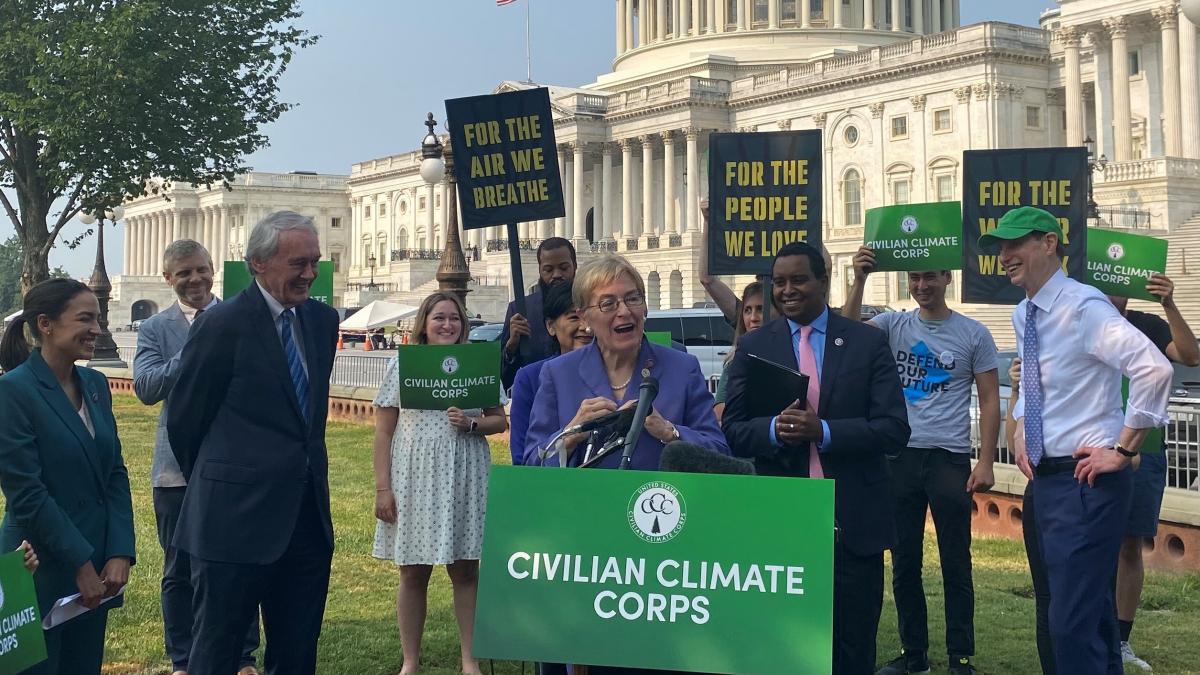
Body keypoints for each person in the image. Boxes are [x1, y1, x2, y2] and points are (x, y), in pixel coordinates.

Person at [981, 206, 1172, 673]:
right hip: (1048, 481)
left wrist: (1124, 450)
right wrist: (1024, 425)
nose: (1005, 255)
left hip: (1085, 480)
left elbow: (1155, 369)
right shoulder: (1025, 311)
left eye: (1015, 243)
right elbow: (1039, 380)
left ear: (1049, 243)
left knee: (1071, 621)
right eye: (1001, 246)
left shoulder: (1084, 306)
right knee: (1077, 617)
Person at [722, 242, 910, 675]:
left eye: (799, 280)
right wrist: (774, 429)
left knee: (852, 645)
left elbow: (894, 429)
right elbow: (732, 430)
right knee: (783, 643)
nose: (787, 290)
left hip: (852, 520)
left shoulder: (867, 342)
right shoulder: (754, 345)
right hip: (780, 519)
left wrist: (822, 432)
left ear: (823, 280)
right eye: (780, 282)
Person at [167, 210, 339, 675]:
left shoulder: (323, 321)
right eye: (298, 263)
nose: (309, 274)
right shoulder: (222, 325)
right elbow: (185, 421)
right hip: (232, 522)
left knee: (298, 651)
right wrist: (224, 480)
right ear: (258, 264)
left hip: (305, 520)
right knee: (218, 650)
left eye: (315, 263)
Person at [841, 248, 1000, 675]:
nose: (922, 286)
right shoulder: (894, 324)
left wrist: (985, 461)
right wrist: (859, 280)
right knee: (904, 561)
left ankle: (960, 656)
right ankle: (915, 655)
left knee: (956, 561)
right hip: (899, 457)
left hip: (947, 458)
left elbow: (989, 399)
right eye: (914, 278)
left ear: (947, 277)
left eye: (930, 277)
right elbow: (846, 331)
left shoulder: (973, 333)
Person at [132, 239, 261, 675]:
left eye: (201, 270)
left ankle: (242, 656)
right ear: (168, 279)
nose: (195, 279)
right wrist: (196, 350)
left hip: (235, 465)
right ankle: (183, 658)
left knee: (240, 561)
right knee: (179, 568)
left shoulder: (244, 318)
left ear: (213, 270)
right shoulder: (155, 329)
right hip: (176, 472)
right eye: (184, 273)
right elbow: (147, 388)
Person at [0, 278, 136, 674]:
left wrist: (119, 551)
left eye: (98, 318)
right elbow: (27, 493)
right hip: (37, 566)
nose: (98, 329)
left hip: (97, 570)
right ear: (46, 324)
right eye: (85, 319)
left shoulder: (95, 384)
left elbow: (113, 472)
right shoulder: (13, 392)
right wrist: (81, 565)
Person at [372, 291, 507, 675]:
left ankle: (470, 659)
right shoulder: (403, 365)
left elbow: (499, 419)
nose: (447, 325)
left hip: (464, 468)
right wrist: (383, 487)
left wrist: (472, 423)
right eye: (439, 318)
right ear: (424, 325)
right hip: (415, 471)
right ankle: (410, 661)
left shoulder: (477, 364)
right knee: (413, 570)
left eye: (454, 318)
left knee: (465, 569)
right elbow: (383, 432)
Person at [526, 254, 729, 471]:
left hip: (660, 501)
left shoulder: (682, 368)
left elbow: (719, 452)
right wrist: (570, 434)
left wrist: (671, 432)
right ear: (584, 317)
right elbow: (531, 462)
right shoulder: (558, 374)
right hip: (583, 502)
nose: (624, 311)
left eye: (632, 299)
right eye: (608, 304)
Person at [1109, 274, 1199, 671]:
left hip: (1145, 449)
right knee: (1093, 546)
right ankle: (1090, 632)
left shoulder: (1146, 324)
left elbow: (1190, 355)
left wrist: (1169, 304)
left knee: (1131, 546)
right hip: (1092, 448)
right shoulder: (1075, 320)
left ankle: (1120, 639)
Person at [509, 281, 593, 465]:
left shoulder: (615, 371)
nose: (586, 327)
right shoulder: (531, 377)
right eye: (573, 318)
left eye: (589, 317)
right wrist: (570, 436)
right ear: (551, 326)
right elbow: (521, 456)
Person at [499, 237, 577, 389]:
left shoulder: (589, 305)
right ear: (540, 270)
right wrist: (511, 347)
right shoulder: (520, 310)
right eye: (548, 270)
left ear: (574, 266)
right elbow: (503, 380)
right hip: (535, 395)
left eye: (563, 268)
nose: (556, 275)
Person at [712, 281, 764, 423]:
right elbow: (719, 410)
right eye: (747, 310)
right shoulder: (734, 359)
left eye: (760, 309)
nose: (753, 318)